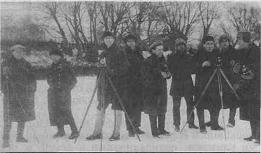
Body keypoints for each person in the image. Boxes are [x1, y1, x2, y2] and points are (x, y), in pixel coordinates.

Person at [86, 31, 129, 141]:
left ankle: (116, 133)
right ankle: (97, 132)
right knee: (101, 107)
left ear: (114, 39)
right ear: (103, 40)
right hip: (103, 83)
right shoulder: (101, 51)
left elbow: (125, 68)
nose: (108, 40)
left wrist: (112, 70)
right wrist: (99, 64)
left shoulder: (120, 51)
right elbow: (93, 62)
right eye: (106, 38)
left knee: (117, 108)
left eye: (110, 38)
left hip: (117, 83)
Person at [195, 35, 235, 133]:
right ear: (203, 45)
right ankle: (202, 126)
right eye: (207, 44)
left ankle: (214, 124)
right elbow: (192, 67)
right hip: (202, 84)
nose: (210, 46)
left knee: (215, 103)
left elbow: (223, 62)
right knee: (200, 104)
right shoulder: (199, 54)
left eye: (212, 44)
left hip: (214, 83)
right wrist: (202, 65)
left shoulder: (217, 53)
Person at [1, 45, 36, 148]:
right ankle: (5, 139)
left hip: (23, 94)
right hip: (10, 94)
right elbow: (1, 78)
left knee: (22, 115)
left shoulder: (27, 64)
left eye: (21, 52)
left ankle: (19, 136)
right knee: (8, 117)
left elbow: (32, 78)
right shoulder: (5, 64)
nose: (19, 53)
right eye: (17, 52)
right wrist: (4, 86)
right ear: (12, 52)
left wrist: (31, 89)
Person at [167, 37, 198, 132]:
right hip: (176, 83)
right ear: (176, 47)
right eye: (179, 45)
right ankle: (176, 124)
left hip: (187, 83)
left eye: (183, 45)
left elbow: (193, 70)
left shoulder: (189, 57)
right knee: (176, 106)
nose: (181, 47)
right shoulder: (171, 57)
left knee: (190, 104)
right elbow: (169, 70)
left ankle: (191, 122)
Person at [234, 31, 260, 144]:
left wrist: (250, 71)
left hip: (256, 85)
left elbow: (257, 66)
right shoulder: (244, 51)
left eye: (239, 39)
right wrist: (238, 69)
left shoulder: (255, 50)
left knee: (254, 110)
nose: (237, 41)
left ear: (245, 40)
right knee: (251, 110)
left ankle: (258, 136)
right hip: (248, 85)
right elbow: (243, 66)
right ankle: (254, 135)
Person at [47, 49, 79, 139]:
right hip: (53, 92)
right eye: (52, 55)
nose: (54, 57)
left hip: (64, 93)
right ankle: (60, 131)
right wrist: (51, 84)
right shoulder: (52, 66)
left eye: (56, 55)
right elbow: (48, 78)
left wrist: (67, 89)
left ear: (60, 56)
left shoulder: (66, 65)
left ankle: (75, 131)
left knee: (66, 111)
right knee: (56, 111)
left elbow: (74, 80)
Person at [141, 42, 171, 138]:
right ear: (153, 50)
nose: (161, 51)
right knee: (153, 110)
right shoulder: (148, 61)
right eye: (158, 49)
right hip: (151, 89)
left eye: (162, 49)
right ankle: (154, 131)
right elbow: (145, 75)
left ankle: (161, 129)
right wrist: (159, 73)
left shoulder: (163, 60)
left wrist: (168, 74)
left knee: (162, 109)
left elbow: (167, 71)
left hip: (162, 88)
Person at [123, 34, 145, 137]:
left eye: (133, 41)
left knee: (137, 106)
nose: (131, 43)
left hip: (138, 83)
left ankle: (136, 126)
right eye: (129, 41)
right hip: (128, 84)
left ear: (135, 43)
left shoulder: (138, 53)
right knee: (129, 106)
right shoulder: (123, 53)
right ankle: (130, 128)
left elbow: (143, 66)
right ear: (126, 43)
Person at [217, 35, 239, 128]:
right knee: (219, 98)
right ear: (220, 43)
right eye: (223, 41)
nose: (225, 43)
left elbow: (238, 65)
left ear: (229, 42)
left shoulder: (234, 52)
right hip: (221, 78)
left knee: (233, 99)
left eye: (226, 41)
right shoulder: (219, 52)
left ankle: (231, 120)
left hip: (232, 78)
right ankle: (215, 120)